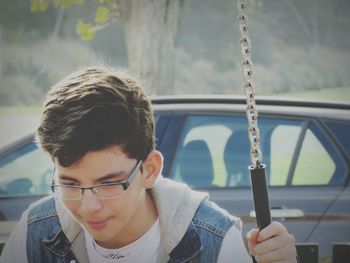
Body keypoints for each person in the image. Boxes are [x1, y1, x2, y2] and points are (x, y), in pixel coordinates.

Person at [1, 66, 297, 263]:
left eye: (109, 183)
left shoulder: (214, 243)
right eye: (70, 184)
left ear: (150, 170)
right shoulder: (34, 234)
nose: (88, 207)